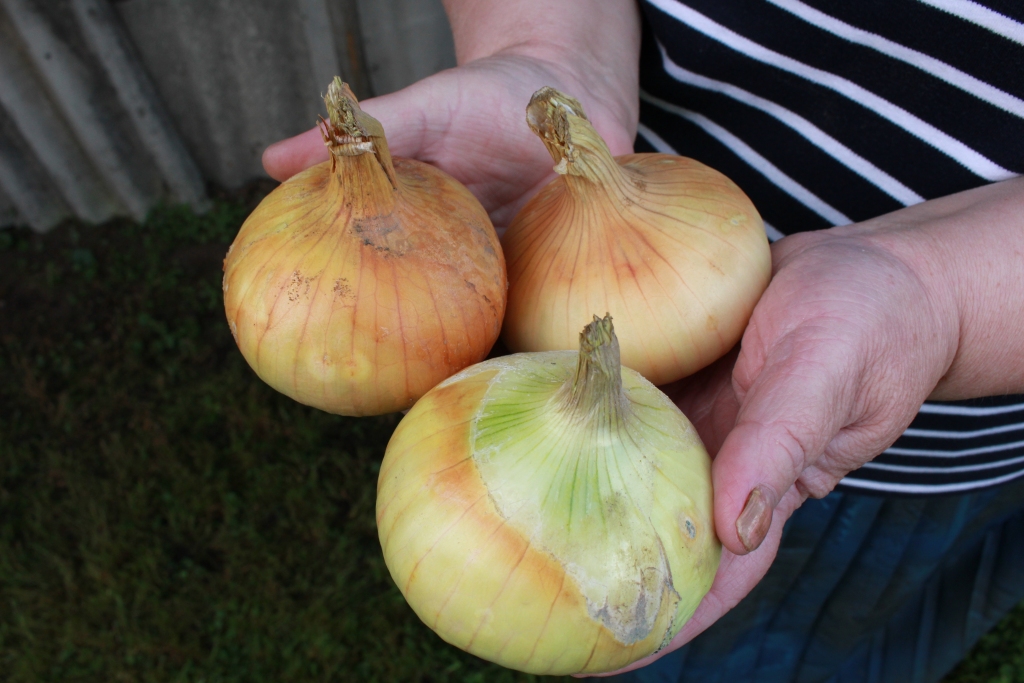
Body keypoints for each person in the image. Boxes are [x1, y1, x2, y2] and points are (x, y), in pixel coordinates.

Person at [263, 1, 1024, 680]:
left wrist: (941, 299)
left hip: (916, 446)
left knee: (821, 632)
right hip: (608, 176)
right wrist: (551, 51)